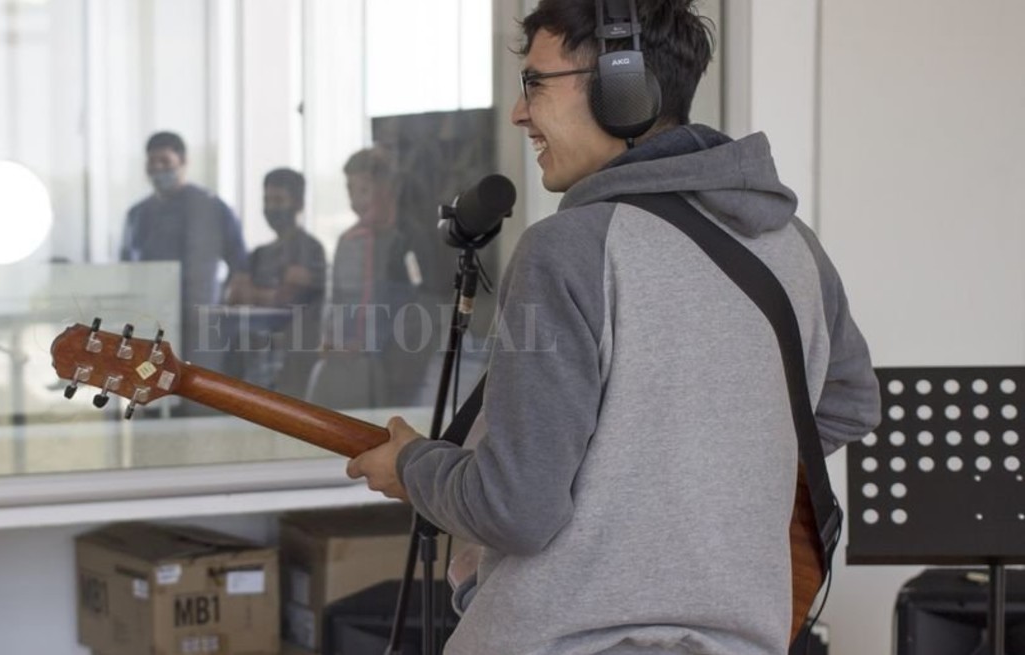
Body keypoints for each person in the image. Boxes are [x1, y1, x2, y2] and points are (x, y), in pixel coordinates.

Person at [345, 1, 881, 654]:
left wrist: (409, 466)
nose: (519, 113)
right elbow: (851, 402)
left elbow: (513, 508)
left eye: (535, 83)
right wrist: (688, 469)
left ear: (622, 91)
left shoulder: (569, 248)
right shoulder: (792, 244)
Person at [119, 131, 248, 374]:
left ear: (183, 162)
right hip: (151, 322)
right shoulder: (137, 215)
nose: (158, 169)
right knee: (151, 388)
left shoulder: (211, 208)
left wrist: (222, 305)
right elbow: (126, 271)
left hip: (200, 323)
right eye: (152, 163)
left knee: (199, 388)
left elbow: (240, 265)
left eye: (165, 162)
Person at [311, 147, 423, 408]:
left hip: (394, 363)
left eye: (364, 190)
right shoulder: (348, 242)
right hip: (350, 362)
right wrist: (330, 338)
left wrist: (370, 344)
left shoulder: (408, 239)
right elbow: (336, 298)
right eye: (350, 190)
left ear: (388, 189)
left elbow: (416, 304)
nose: (356, 201)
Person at [225, 168, 327, 396]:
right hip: (253, 358)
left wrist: (255, 294)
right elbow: (234, 297)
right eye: (267, 200)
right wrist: (268, 294)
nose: (271, 208)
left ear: (298, 203)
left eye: (279, 200)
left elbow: (287, 297)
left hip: (295, 356)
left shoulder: (310, 249)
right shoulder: (259, 254)